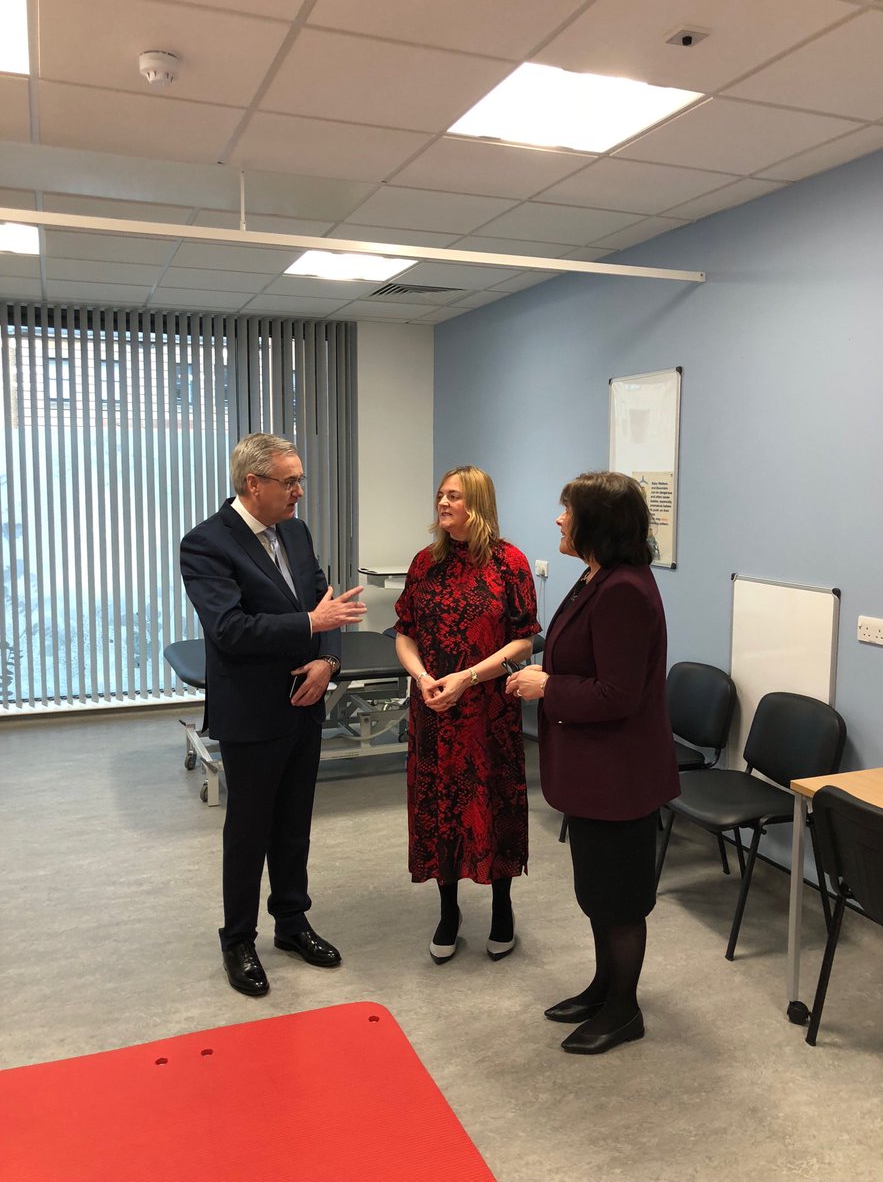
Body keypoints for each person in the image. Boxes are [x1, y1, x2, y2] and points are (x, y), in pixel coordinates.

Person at [180, 432, 367, 997]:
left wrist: (328, 662)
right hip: (252, 710)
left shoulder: (296, 531)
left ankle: (291, 922)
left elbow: (326, 605)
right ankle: (238, 939)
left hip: (305, 703)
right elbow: (230, 630)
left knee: (293, 823)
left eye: (299, 480)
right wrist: (311, 625)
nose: (299, 491)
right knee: (248, 830)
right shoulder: (206, 544)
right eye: (289, 482)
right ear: (252, 483)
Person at [506, 471, 679, 1055]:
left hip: (619, 778)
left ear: (597, 524)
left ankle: (624, 1010)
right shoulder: (596, 576)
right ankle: (605, 988)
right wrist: (548, 674)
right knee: (599, 893)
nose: (559, 519)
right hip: (594, 772)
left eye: (568, 511)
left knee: (620, 901)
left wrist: (547, 687)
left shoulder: (624, 590)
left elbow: (618, 695)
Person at [394, 466, 540, 964]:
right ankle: (448, 911)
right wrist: (422, 677)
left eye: (453, 496)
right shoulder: (425, 563)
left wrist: (468, 677)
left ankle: (502, 907)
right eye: (440, 495)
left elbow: (524, 641)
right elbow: (405, 633)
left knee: (494, 804)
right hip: (434, 708)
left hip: (487, 710)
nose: (442, 503)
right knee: (440, 808)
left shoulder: (509, 563)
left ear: (477, 503)